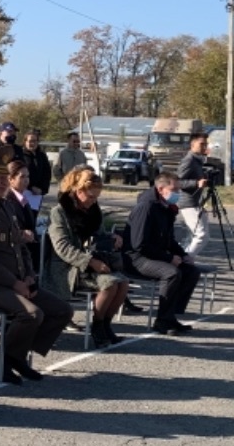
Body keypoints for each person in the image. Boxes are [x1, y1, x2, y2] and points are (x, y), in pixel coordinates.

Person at [0, 151, 70, 384]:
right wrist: (14, 282)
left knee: (62, 311)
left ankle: (12, 356)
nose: (5, 183)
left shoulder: (5, 206)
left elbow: (20, 246)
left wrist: (28, 276)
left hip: (16, 283)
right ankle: (5, 358)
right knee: (31, 314)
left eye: (6, 179)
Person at [44, 167, 131, 346]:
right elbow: (62, 247)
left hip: (90, 262)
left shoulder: (92, 211)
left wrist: (111, 238)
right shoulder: (59, 212)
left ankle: (104, 325)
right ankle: (97, 327)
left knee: (123, 283)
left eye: (96, 197)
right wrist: (90, 262)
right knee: (110, 284)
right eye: (90, 196)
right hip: (65, 266)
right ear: (78, 191)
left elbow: (99, 235)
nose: (93, 201)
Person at [126, 173, 202, 335]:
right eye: (174, 190)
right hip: (136, 258)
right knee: (171, 273)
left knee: (191, 271)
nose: (178, 194)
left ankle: (170, 315)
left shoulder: (166, 208)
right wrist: (168, 258)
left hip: (155, 255)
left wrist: (182, 255)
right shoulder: (146, 207)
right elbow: (139, 245)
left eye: (179, 190)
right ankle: (161, 321)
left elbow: (169, 240)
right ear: (161, 189)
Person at [174, 131, 216, 256]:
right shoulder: (189, 160)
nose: (204, 147)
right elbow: (177, 182)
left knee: (194, 236)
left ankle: (184, 256)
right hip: (187, 202)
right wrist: (196, 183)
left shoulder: (197, 160)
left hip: (196, 202)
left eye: (206, 144)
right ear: (192, 145)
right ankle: (186, 260)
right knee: (201, 235)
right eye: (201, 144)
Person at [4, 159, 39, 244]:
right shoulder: (6, 200)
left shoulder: (23, 197)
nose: (26, 180)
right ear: (10, 179)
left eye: (27, 176)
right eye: (22, 177)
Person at [18, 130, 52, 199]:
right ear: (25, 142)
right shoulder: (20, 155)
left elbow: (47, 173)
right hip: (23, 192)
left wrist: (42, 189)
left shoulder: (42, 156)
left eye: (35, 141)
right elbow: (18, 175)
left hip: (38, 194)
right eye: (30, 141)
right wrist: (30, 187)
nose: (33, 143)